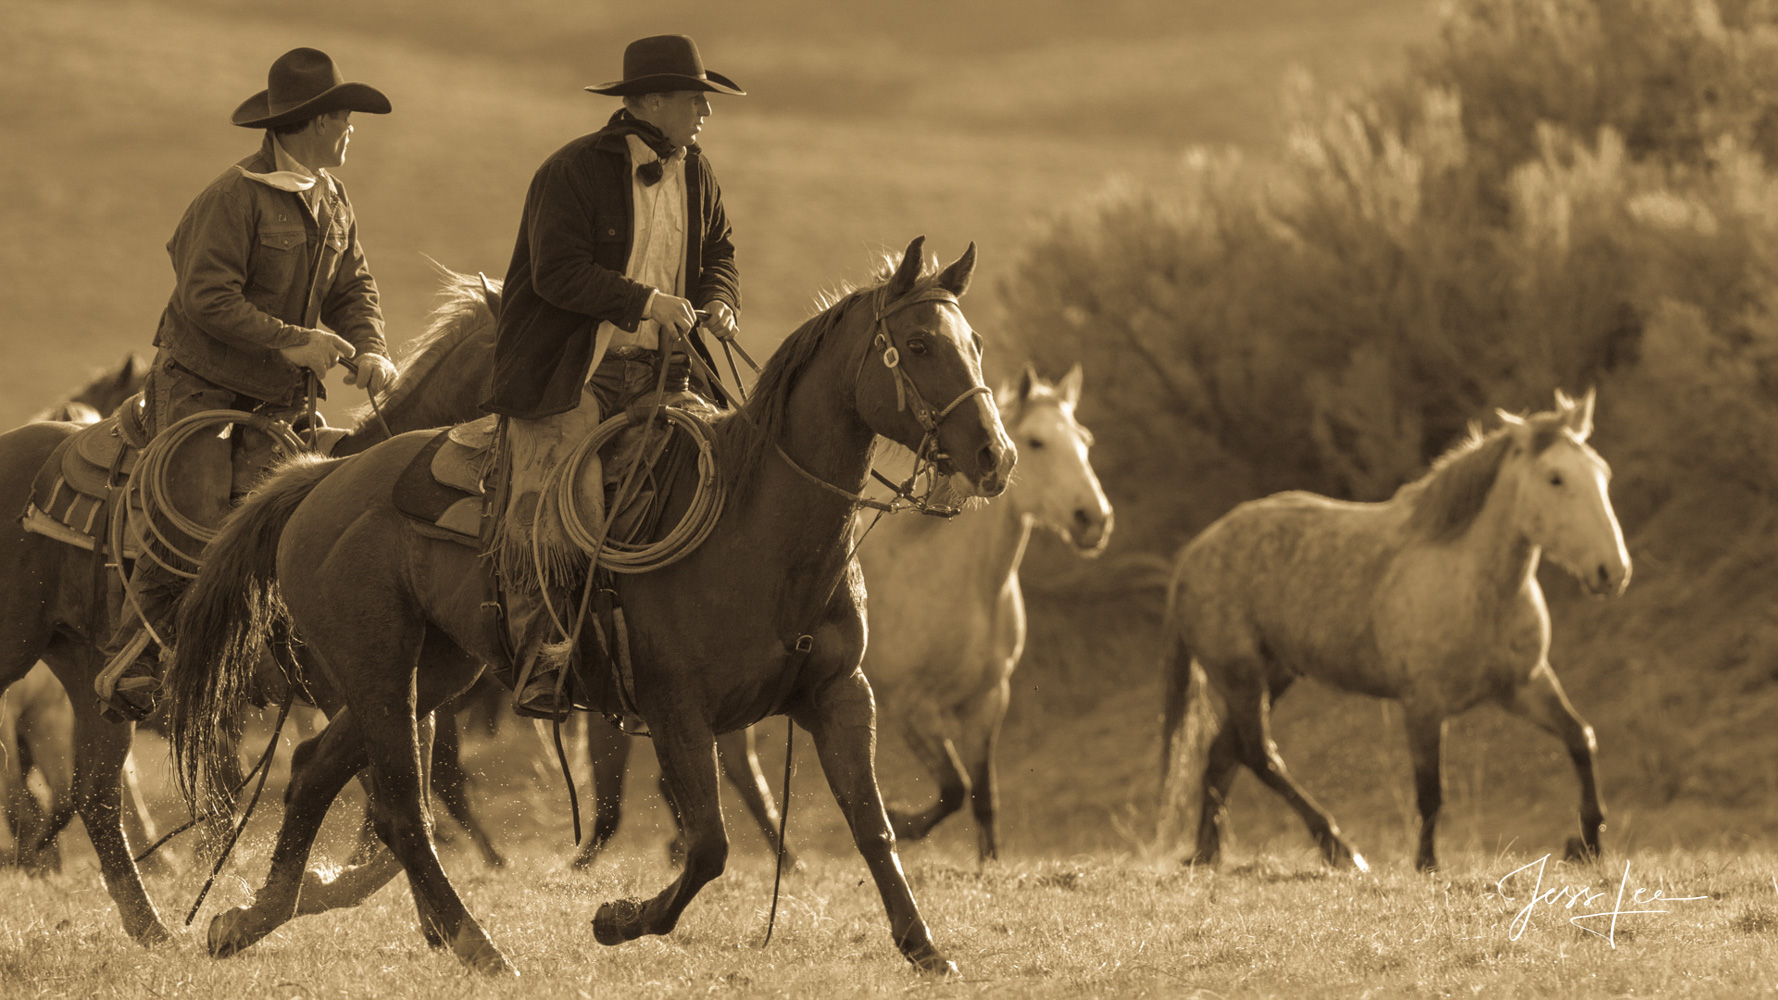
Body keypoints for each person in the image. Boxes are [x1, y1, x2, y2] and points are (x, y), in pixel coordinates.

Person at [95, 48, 398, 720]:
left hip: (277, 398)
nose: (351, 130)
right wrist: (295, 341)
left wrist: (371, 347)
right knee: (197, 509)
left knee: (280, 523)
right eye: (343, 118)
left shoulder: (333, 198)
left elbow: (354, 286)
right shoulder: (232, 198)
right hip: (201, 384)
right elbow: (206, 298)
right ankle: (132, 656)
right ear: (313, 122)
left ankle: (252, 653)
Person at [482, 34, 744, 720]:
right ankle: (544, 660)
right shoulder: (569, 172)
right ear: (651, 101)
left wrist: (720, 300)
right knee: (560, 509)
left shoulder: (698, 172)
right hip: (571, 376)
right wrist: (644, 302)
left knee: (730, 474)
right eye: (695, 100)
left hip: (663, 371)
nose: (705, 113)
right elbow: (556, 274)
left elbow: (720, 251)